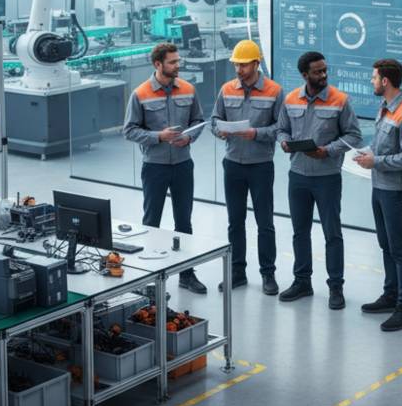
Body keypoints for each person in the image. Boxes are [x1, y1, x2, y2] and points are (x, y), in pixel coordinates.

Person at [277, 51, 362, 310]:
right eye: (318, 72)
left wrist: (328, 151)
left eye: (325, 70)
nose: (323, 75)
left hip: (327, 178)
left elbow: (354, 136)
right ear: (305, 75)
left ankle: (336, 287)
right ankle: (302, 282)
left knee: (332, 234)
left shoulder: (340, 100)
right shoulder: (291, 99)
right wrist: (284, 141)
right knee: (300, 232)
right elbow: (282, 129)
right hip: (298, 176)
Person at [123, 42, 207, 294]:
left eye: (178, 61)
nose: (177, 65)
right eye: (172, 62)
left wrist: (189, 137)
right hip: (155, 167)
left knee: (184, 222)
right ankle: (148, 279)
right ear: (158, 64)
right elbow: (129, 130)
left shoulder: (188, 89)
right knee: (151, 223)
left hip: (183, 165)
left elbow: (198, 120)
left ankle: (186, 275)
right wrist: (159, 136)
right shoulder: (140, 93)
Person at [353, 59, 402, 332]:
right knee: (386, 244)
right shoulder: (385, 108)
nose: (371, 81)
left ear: (385, 81)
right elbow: (382, 145)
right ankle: (391, 295)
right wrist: (369, 154)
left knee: (400, 248)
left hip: (397, 192)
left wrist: (377, 161)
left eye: (374, 78)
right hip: (380, 187)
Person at [210, 40, 283, 296]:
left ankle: (268, 274)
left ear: (256, 63)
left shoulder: (274, 90)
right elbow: (214, 119)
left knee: (265, 222)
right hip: (233, 164)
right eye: (236, 65)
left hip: (261, 165)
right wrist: (219, 130)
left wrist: (257, 133)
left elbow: (281, 128)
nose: (239, 69)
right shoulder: (227, 89)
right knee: (235, 222)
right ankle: (237, 273)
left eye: (243, 65)